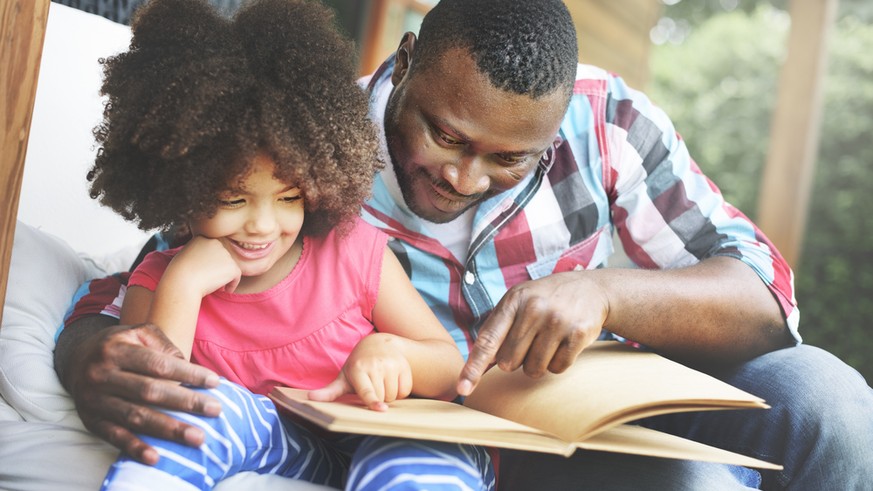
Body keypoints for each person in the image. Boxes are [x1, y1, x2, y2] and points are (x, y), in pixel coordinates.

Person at [55, 0, 873, 489]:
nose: (462, 175)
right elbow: (151, 274)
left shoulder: (609, 122)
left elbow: (764, 298)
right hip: (477, 444)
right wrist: (91, 349)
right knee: (687, 479)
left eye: (508, 157)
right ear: (407, 62)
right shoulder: (302, 145)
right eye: (442, 133)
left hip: (602, 405)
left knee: (835, 406)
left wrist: (606, 292)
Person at [76, 0, 495, 489]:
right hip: (287, 447)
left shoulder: (353, 251)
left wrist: (394, 354)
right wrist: (185, 283)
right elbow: (158, 402)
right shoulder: (161, 281)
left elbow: (449, 369)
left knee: (418, 462)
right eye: (232, 198)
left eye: (289, 196)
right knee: (203, 416)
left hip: (388, 434)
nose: (262, 225)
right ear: (179, 188)